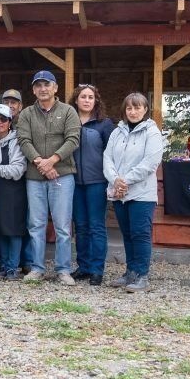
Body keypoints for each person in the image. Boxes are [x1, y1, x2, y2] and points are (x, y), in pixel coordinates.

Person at [17, 70, 81, 285]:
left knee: (63, 226)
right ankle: (37, 268)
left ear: (55, 88)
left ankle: (63, 270)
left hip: (62, 176)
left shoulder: (69, 111)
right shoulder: (26, 114)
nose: (43, 89)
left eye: (47, 84)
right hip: (35, 178)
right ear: (34, 90)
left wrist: (52, 160)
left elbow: (73, 139)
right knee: (36, 225)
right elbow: (24, 140)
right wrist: (41, 163)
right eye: (38, 85)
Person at [104, 93, 164, 293]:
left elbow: (150, 163)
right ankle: (130, 272)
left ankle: (141, 275)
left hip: (141, 194)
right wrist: (115, 180)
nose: (133, 111)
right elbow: (107, 158)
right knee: (128, 234)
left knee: (140, 234)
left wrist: (125, 180)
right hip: (120, 193)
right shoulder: (117, 132)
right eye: (129, 108)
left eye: (137, 107)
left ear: (145, 109)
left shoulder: (152, 132)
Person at [69, 84, 116, 285]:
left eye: (90, 97)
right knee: (80, 226)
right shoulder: (69, 122)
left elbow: (113, 153)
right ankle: (84, 266)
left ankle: (97, 269)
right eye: (83, 97)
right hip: (74, 181)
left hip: (97, 182)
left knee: (96, 226)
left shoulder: (104, 124)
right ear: (76, 100)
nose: (87, 100)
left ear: (96, 101)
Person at [0, 104, 28, 280]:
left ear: (10, 122)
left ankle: (13, 267)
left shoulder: (16, 141)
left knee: (14, 229)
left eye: (3, 119)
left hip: (14, 192)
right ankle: (3, 265)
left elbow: (18, 170)